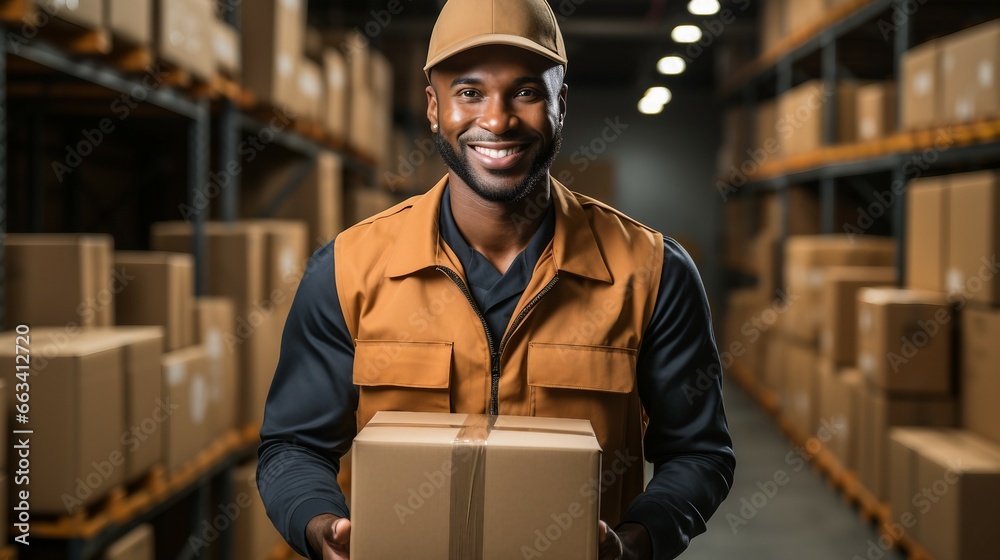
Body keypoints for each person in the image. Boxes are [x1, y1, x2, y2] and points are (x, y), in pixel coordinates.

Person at [258, 0, 735, 558]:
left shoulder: (652, 272)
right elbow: (293, 445)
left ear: (562, 102)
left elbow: (699, 453)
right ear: (433, 107)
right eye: (469, 92)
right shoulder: (348, 269)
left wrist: (635, 543)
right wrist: (320, 526)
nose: (497, 119)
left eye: (527, 91)